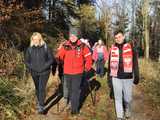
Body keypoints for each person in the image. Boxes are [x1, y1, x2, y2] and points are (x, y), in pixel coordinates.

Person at [56, 30, 92, 115]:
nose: (72, 37)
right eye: (71, 36)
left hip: (78, 72)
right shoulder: (65, 46)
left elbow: (88, 57)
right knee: (70, 89)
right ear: (69, 37)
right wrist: (58, 59)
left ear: (77, 36)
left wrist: (87, 67)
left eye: (74, 35)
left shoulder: (82, 46)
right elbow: (59, 56)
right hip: (67, 72)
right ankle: (72, 103)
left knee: (75, 91)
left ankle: (74, 110)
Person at [108, 30, 139, 120]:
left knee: (127, 98)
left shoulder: (131, 47)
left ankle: (127, 109)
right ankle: (120, 116)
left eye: (120, 37)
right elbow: (110, 64)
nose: (118, 39)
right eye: (116, 37)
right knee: (118, 98)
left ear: (124, 36)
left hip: (128, 77)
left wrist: (136, 75)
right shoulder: (113, 49)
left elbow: (135, 63)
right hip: (116, 77)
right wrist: (109, 79)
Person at [25, 32, 56, 114]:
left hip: (45, 72)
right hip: (34, 72)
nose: (35, 41)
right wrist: (32, 67)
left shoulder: (46, 48)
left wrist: (44, 67)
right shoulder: (29, 49)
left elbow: (51, 59)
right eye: (34, 39)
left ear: (40, 39)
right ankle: (39, 102)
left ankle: (41, 106)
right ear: (32, 40)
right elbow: (27, 61)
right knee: (37, 88)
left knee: (42, 88)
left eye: (37, 39)